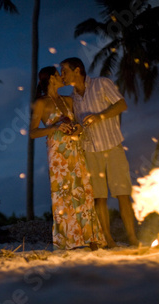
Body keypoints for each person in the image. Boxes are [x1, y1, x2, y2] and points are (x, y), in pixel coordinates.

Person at [60, 57, 140, 248]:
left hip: (112, 146)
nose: (62, 75)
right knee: (99, 197)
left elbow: (121, 105)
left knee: (122, 193)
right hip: (90, 150)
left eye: (64, 71)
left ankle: (133, 239)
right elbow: (79, 125)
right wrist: (77, 129)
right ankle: (110, 241)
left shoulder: (101, 83)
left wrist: (100, 116)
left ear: (77, 70)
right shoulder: (73, 99)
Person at [30, 66, 107, 250]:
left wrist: (78, 128)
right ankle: (68, 240)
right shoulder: (40, 103)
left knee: (84, 191)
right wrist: (55, 128)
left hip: (75, 150)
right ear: (50, 79)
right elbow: (32, 132)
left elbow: (77, 123)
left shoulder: (68, 100)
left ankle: (91, 238)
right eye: (58, 75)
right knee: (63, 195)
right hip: (57, 154)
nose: (61, 76)